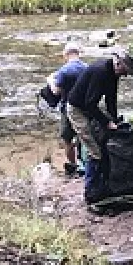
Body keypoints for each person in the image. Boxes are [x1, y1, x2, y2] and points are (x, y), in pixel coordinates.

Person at [66, 50, 133, 198]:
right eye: (125, 71)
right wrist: (106, 122)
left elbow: (110, 99)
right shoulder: (100, 72)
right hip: (77, 110)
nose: (125, 75)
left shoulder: (113, 73)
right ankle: (91, 193)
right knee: (95, 152)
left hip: (88, 108)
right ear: (118, 64)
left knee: (103, 143)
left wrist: (114, 120)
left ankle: (104, 183)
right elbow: (90, 103)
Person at [47, 42, 87, 176]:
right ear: (79, 53)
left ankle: (73, 165)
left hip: (67, 109)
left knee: (67, 138)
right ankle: (85, 164)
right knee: (84, 136)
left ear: (65, 55)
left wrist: (51, 80)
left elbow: (56, 92)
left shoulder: (63, 71)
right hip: (86, 108)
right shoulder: (87, 68)